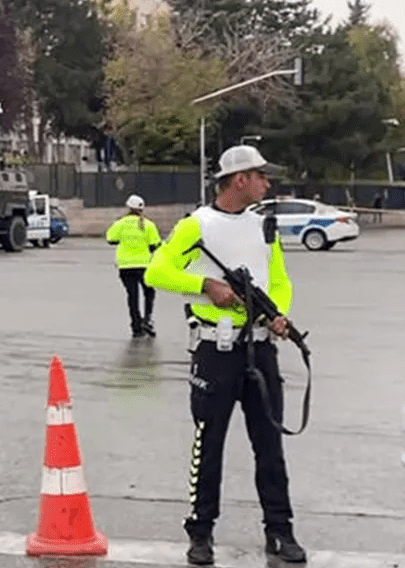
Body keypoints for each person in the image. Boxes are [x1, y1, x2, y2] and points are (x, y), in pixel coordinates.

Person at [144, 145, 306, 565]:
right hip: (216, 350)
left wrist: (280, 314)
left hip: (261, 348)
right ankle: (201, 532)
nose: (267, 183)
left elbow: (279, 279)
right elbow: (156, 271)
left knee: (270, 444)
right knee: (209, 442)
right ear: (240, 180)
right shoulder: (196, 225)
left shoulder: (262, 226)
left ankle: (280, 529)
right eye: (261, 176)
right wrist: (205, 287)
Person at [106, 194, 161, 338]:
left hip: (125, 266)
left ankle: (136, 326)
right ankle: (148, 319)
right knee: (149, 292)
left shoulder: (120, 223)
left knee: (133, 296)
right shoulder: (149, 225)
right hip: (145, 265)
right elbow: (155, 245)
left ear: (128, 208)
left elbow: (111, 239)